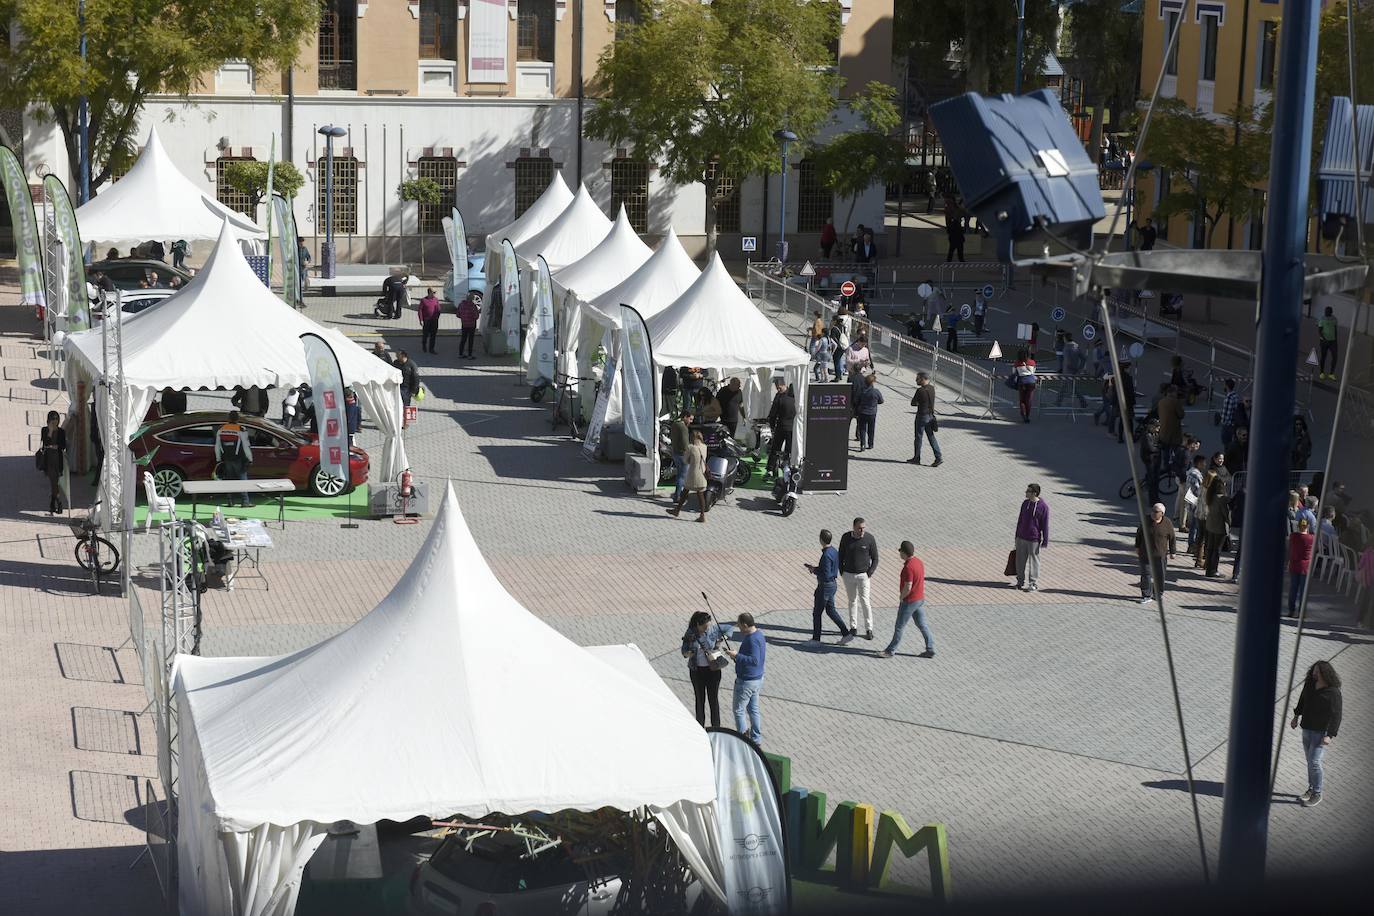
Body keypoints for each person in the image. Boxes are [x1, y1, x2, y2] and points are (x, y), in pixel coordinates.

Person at [1289, 659, 1342, 807]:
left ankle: (1317, 793)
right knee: (1310, 761)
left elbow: (1336, 715)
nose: (1314, 674)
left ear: (1325, 674)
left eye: (1317, 672)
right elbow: (1302, 701)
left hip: (1320, 733)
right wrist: (1295, 716)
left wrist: (1330, 735)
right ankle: (1311, 788)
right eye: (1314, 671)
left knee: (1314, 762)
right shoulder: (1310, 685)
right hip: (1306, 729)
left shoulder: (1333, 693)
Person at [878, 540, 935, 659]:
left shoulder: (908, 567)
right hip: (919, 599)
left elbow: (908, 586)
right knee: (922, 624)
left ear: (904, 553)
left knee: (899, 626)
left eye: (900, 552)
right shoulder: (919, 562)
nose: (899, 554)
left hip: (909, 601)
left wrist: (901, 597)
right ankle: (930, 648)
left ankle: (890, 650)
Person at [680, 611, 734, 728]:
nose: (706, 628)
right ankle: (700, 727)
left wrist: (724, 637)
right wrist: (688, 653)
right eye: (704, 626)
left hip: (713, 670)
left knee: (713, 700)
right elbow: (684, 651)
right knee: (700, 700)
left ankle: (716, 727)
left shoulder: (713, 629)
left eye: (708, 626)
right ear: (698, 624)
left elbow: (729, 628)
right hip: (697, 671)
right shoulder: (690, 633)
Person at [724, 613, 766, 745]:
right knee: (753, 709)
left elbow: (754, 660)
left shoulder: (752, 640)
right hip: (757, 679)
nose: (739, 629)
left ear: (746, 625)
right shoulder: (759, 634)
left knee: (739, 710)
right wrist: (737, 656)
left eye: (740, 626)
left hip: (747, 681)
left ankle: (744, 741)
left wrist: (737, 656)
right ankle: (756, 738)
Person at [805, 529, 853, 644]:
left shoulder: (826, 555)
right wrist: (816, 569)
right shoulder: (833, 551)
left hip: (825, 587)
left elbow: (825, 574)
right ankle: (846, 634)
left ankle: (816, 639)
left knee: (817, 613)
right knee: (831, 611)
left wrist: (814, 570)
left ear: (821, 540)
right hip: (832, 585)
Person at [839, 517, 879, 639]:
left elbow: (875, 558)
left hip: (863, 576)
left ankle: (869, 628)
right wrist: (842, 571)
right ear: (854, 527)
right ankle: (853, 627)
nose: (862, 530)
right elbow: (840, 555)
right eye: (859, 528)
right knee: (852, 601)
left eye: (863, 528)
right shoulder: (846, 538)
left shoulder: (869, 539)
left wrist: (869, 573)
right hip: (848, 575)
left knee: (865, 601)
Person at [1136, 502, 1177, 604]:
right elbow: (1139, 533)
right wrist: (1137, 546)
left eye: (1156, 511)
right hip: (1145, 553)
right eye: (1152, 510)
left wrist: (1173, 552)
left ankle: (1158, 594)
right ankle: (1146, 595)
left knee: (1160, 575)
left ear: (1162, 513)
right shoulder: (1146, 520)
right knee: (1146, 574)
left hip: (1160, 555)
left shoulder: (1167, 523)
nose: (1153, 513)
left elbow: (1172, 538)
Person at [1013, 484, 1050, 591]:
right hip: (1021, 537)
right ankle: (1020, 582)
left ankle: (1033, 583)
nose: (1026, 492)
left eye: (1028, 491)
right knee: (1020, 560)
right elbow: (1020, 520)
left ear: (1034, 493)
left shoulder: (1043, 507)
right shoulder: (1025, 504)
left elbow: (1045, 525)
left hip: (1034, 539)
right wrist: (1016, 536)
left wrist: (1045, 540)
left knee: (1034, 561)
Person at [214, 410, 254, 508]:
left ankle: (230, 501)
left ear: (228, 418)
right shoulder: (241, 429)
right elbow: (246, 446)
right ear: (237, 419)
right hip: (239, 459)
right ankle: (245, 502)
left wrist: (218, 459)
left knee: (229, 480)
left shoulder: (221, 429)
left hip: (227, 458)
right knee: (242, 480)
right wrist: (250, 458)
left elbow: (217, 446)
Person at [669, 430, 709, 522]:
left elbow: (685, 461)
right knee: (700, 495)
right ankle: (702, 515)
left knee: (685, 492)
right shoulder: (705, 447)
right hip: (702, 474)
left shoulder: (690, 447)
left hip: (693, 474)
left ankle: (677, 511)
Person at [909, 371, 942, 467]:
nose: (916, 380)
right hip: (930, 416)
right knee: (931, 437)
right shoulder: (932, 388)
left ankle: (917, 457)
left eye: (918, 378)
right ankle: (938, 457)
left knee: (918, 437)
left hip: (921, 416)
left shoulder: (920, 391)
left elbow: (913, 403)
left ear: (923, 379)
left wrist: (919, 403)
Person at [765, 380, 795, 481]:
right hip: (792, 429)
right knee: (789, 450)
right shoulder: (798, 400)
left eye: (778, 387)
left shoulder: (780, 397)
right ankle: (787, 469)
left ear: (784, 385)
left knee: (775, 449)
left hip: (781, 427)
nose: (778, 389)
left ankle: (770, 469)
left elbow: (773, 414)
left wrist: (772, 426)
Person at [39, 410, 67, 514]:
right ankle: (58, 503)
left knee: (54, 483)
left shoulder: (61, 431)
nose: (55, 421)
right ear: (49, 420)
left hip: (57, 460)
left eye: (56, 418)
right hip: (48, 460)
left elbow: (63, 445)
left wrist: (56, 446)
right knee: (54, 482)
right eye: (53, 419)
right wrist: (50, 432)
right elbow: (45, 442)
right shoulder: (44, 430)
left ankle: (53, 504)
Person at [1201, 475, 1230, 578]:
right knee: (1217, 550)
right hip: (1219, 526)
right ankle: (1214, 570)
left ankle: (1208, 570)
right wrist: (1230, 523)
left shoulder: (1210, 495)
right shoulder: (1222, 498)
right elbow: (1225, 514)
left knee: (1210, 548)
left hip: (1210, 524)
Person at [1156, 385, 1186, 479]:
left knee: (1165, 451)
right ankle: (1174, 468)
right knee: (1176, 451)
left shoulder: (1161, 401)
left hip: (1163, 431)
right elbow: (1181, 415)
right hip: (1173, 432)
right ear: (1173, 392)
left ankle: (1166, 467)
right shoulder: (1175, 402)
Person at [1288, 516, 1315, 618]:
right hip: (1305, 567)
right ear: (1307, 526)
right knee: (1303, 591)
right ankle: (1301, 612)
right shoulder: (1311, 538)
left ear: (1298, 526)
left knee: (1293, 589)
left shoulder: (1293, 536)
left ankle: (1291, 610)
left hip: (1294, 565)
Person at [854, 373, 883, 451]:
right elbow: (881, 401)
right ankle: (870, 444)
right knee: (871, 429)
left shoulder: (862, 391)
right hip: (872, 413)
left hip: (862, 412)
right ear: (873, 382)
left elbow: (857, 401)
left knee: (862, 429)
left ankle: (862, 444)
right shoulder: (876, 392)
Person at [669, 409, 692, 503]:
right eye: (690, 419)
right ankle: (678, 496)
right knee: (682, 476)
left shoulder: (674, 424)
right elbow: (685, 443)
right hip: (682, 455)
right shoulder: (683, 428)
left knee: (679, 475)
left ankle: (677, 494)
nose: (691, 421)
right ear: (685, 417)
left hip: (675, 452)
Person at [394, 350, 421, 427]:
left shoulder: (411, 364)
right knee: (396, 405)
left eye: (397, 355)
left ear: (403, 355)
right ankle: (397, 421)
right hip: (397, 387)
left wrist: (413, 390)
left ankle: (406, 423)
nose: (396, 356)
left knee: (406, 406)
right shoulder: (396, 363)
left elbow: (416, 379)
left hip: (407, 389)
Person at [1013, 347, 1037, 423]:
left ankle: (1023, 415)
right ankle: (1027, 415)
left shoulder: (1017, 362)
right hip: (1031, 382)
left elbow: (1014, 372)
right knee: (1029, 400)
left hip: (1022, 382)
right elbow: (1033, 372)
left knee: (1022, 400)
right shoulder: (1032, 362)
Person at [1316, 305, 1339, 380]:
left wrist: (1335, 339)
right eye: (1325, 311)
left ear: (1331, 312)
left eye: (1327, 312)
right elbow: (1319, 331)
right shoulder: (1322, 319)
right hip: (1324, 342)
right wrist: (1323, 339)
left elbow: (1335, 329)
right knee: (1323, 357)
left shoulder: (1334, 319)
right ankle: (1321, 373)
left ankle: (1331, 374)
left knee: (1335, 357)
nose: (1325, 312)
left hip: (1333, 341)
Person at [457, 292, 481, 359]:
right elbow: (476, 316)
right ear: (472, 299)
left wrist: (463, 318)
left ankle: (460, 354)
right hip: (471, 325)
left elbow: (458, 314)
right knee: (470, 340)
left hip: (464, 324)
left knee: (463, 339)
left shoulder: (461, 305)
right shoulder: (473, 306)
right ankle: (469, 355)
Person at [418, 287, 442, 354]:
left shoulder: (436, 299)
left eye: (435, 292)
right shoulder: (423, 300)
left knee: (433, 335)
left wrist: (438, 316)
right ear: (429, 292)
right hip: (427, 320)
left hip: (434, 320)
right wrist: (421, 320)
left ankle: (431, 349)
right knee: (425, 334)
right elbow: (420, 310)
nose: (435, 294)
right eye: (434, 292)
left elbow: (438, 309)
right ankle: (424, 345)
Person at [1219, 378, 1240, 448]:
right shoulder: (1235, 396)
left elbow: (1227, 413)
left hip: (1227, 425)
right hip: (1234, 423)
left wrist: (1223, 422)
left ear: (1227, 386)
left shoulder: (1228, 398)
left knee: (1226, 443)